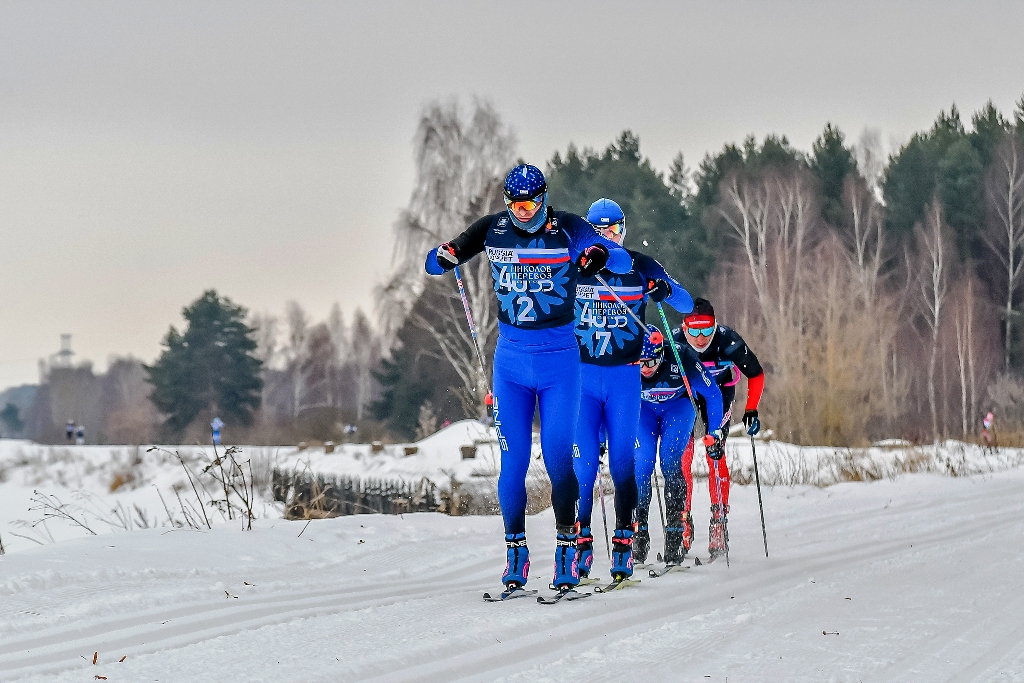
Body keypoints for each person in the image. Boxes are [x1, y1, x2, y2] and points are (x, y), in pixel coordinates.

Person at [425, 164, 630, 593]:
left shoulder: (568, 227)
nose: (522, 212)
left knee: (558, 460)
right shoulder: (493, 229)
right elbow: (436, 259)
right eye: (515, 204)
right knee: (513, 462)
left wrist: (597, 254)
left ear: (543, 198)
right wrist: (444, 257)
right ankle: (515, 553)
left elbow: (613, 254)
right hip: (511, 364)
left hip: (560, 363)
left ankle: (566, 548)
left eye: (530, 203)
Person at [571, 198, 692, 581]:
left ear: (625, 230)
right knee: (585, 466)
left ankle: (627, 542)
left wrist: (662, 289)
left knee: (628, 464)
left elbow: (686, 304)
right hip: (584, 378)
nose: (608, 238)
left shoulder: (638, 265)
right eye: (600, 232)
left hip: (625, 379)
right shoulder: (576, 266)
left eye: (614, 230)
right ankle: (580, 541)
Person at [678, 297, 764, 560]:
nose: (701, 337)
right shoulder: (675, 342)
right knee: (683, 456)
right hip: (687, 395)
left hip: (721, 394)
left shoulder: (728, 340)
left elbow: (756, 373)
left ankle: (719, 520)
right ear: (684, 328)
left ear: (716, 326)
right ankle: (681, 519)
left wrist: (751, 409)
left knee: (715, 451)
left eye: (706, 329)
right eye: (694, 330)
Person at [635, 325, 723, 565]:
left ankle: (675, 532)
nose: (646, 369)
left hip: (678, 407)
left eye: (651, 362)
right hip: (644, 411)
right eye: (641, 363)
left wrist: (715, 432)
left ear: (661, 354)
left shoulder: (680, 354)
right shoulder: (627, 359)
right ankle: (638, 531)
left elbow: (713, 394)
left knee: (670, 461)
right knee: (641, 465)